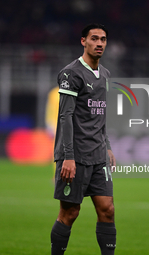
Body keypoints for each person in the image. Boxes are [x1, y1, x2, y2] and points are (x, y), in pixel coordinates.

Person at [50, 23, 117, 255]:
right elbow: (65, 117)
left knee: (107, 209)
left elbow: (100, 115)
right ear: (83, 42)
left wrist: (107, 146)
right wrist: (68, 157)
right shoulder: (71, 74)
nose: (99, 43)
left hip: (98, 154)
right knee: (70, 213)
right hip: (75, 156)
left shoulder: (106, 75)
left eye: (103, 39)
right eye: (94, 39)